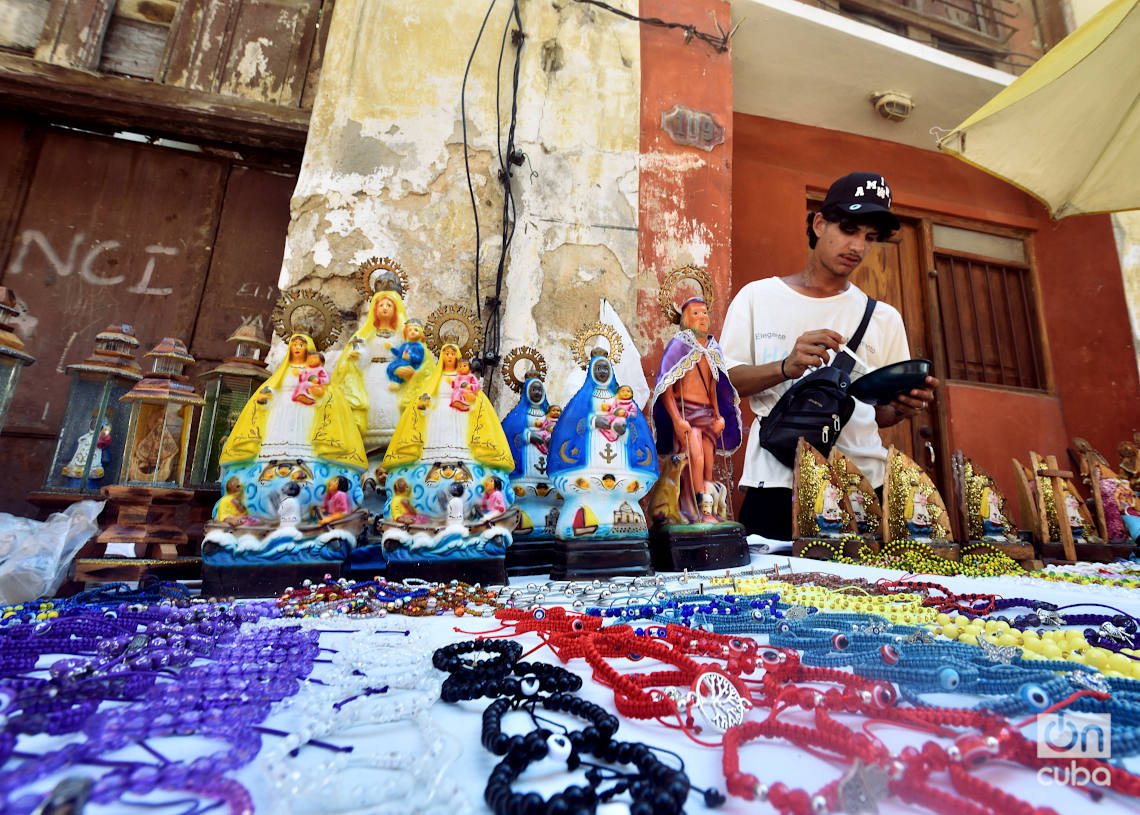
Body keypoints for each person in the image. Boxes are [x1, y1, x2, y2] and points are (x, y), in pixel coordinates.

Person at [721, 172, 939, 540]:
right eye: (849, 228)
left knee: (870, 596)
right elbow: (725, 384)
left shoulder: (884, 318)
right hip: (776, 482)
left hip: (864, 485)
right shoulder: (757, 297)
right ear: (820, 224)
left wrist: (902, 407)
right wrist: (784, 367)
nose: (857, 245)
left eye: (869, 238)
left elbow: (879, 416)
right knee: (774, 594)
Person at [649, 296, 742, 524]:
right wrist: (677, 420)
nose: (702, 318)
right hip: (686, 414)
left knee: (708, 464)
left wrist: (719, 415)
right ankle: (691, 512)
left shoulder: (713, 348)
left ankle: (707, 512)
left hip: (707, 415)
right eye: (695, 314)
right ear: (685, 320)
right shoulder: (677, 346)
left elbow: (714, 385)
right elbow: (666, 388)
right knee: (694, 458)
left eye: (704, 313)